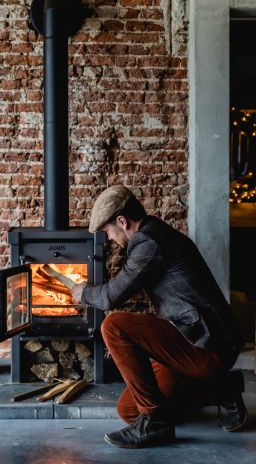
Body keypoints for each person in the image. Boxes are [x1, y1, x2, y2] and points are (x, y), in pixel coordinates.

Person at [71, 185, 247, 449]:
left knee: (114, 326)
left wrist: (82, 291)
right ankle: (221, 389)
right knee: (129, 411)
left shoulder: (150, 243)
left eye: (108, 232)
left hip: (205, 344)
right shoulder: (156, 235)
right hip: (189, 340)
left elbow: (110, 298)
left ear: (122, 221)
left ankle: (156, 424)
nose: (108, 239)